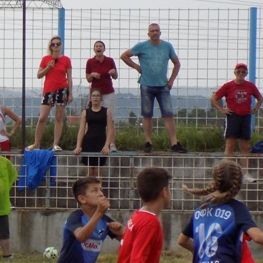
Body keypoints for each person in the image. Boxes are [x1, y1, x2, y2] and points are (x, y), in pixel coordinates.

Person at [120, 23, 186, 154]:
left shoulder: (167, 46)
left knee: (169, 114)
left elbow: (177, 63)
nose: (155, 33)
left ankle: (174, 143)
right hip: (146, 84)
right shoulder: (142, 46)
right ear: (148, 33)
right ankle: (148, 142)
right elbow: (124, 56)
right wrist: (136, 67)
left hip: (163, 85)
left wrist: (171, 80)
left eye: (157, 30)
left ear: (160, 33)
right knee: (147, 114)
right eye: (152, 31)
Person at [210, 63, 263, 181]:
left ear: (246, 73)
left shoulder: (250, 86)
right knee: (230, 144)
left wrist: (255, 109)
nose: (241, 74)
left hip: (245, 116)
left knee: (244, 146)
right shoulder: (228, 86)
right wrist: (222, 110)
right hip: (232, 116)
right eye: (238, 71)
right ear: (235, 72)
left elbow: (260, 98)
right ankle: (225, 172)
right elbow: (214, 98)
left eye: (243, 72)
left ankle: (245, 173)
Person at [29, 36, 73, 152]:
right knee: (42, 118)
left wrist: (70, 93)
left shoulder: (66, 60)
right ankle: (36, 143)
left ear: (61, 45)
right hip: (49, 90)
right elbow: (39, 75)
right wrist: (48, 67)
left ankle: (55, 144)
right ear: (50, 46)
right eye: (53, 44)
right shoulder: (46, 59)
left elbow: (69, 77)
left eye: (58, 44)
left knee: (59, 117)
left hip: (62, 89)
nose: (56, 46)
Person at [85, 41, 119, 151]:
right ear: (94, 49)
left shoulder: (110, 61)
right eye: (96, 46)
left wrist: (113, 72)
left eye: (100, 46)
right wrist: (92, 75)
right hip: (95, 93)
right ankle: (87, 141)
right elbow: (88, 79)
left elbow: (115, 76)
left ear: (104, 49)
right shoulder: (90, 62)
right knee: (90, 117)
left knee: (110, 119)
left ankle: (111, 143)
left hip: (108, 92)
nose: (98, 48)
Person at [73, 89, 115, 178]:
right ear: (90, 98)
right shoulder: (85, 112)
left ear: (101, 98)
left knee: (98, 172)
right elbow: (81, 130)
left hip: (101, 142)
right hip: (88, 143)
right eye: (94, 96)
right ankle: (88, 187)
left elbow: (110, 129)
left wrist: (107, 145)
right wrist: (78, 146)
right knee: (90, 171)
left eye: (98, 96)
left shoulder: (106, 111)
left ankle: (99, 187)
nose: (96, 98)